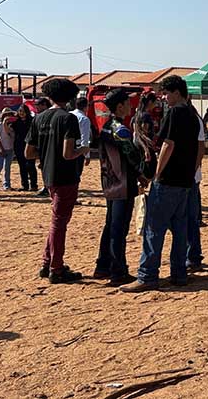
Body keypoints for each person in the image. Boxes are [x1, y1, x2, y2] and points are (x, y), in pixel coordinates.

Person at [121, 75, 200, 292]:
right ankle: (179, 273)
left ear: (176, 92)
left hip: (168, 180)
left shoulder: (174, 112)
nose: (163, 98)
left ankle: (147, 275)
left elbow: (168, 144)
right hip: (185, 180)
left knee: (153, 229)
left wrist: (156, 174)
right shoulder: (193, 115)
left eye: (165, 93)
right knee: (180, 229)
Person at [26, 79, 89, 284]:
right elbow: (68, 153)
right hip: (66, 176)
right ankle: (56, 267)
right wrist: (83, 150)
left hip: (48, 175)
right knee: (59, 223)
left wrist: (46, 153)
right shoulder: (67, 118)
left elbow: (29, 153)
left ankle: (48, 262)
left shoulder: (39, 118)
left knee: (56, 220)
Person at [93, 89, 147, 286]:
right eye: (127, 103)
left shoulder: (106, 127)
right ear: (119, 106)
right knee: (119, 229)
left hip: (109, 183)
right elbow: (133, 158)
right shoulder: (120, 130)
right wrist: (144, 174)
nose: (130, 106)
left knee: (110, 226)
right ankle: (118, 271)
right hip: (123, 184)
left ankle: (103, 265)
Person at [185, 91, 207, 273]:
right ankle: (190, 256)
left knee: (190, 218)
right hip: (186, 177)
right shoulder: (185, 116)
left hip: (190, 178)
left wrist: (193, 170)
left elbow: (201, 148)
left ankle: (193, 257)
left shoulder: (193, 118)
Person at [12, 105, 39, 192]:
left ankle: (34, 185)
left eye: (23, 111)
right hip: (19, 146)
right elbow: (9, 131)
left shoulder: (32, 121)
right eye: (20, 111)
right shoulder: (16, 122)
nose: (21, 113)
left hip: (30, 145)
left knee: (31, 165)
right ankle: (25, 185)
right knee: (22, 166)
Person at [0, 108, 17, 191]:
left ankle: (7, 185)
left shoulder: (13, 126)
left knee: (7, 167)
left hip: (9, 148)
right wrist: (1, 148)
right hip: (0, 148)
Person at [70, 97, 92, 185]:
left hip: (66, 146)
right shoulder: (84, 119)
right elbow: (85, 138)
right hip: (78, 149)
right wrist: (87, 154)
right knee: (76, 173)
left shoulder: (69, 114)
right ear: (85, 107)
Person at [34, 97, 53, 197]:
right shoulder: (38, 117)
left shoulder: (51, 116)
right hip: (41, 146)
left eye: (38, 106)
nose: (36, 108)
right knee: (42, 167)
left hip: (49, 145)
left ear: (44, 105)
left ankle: (49, 186)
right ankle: (46, 186)